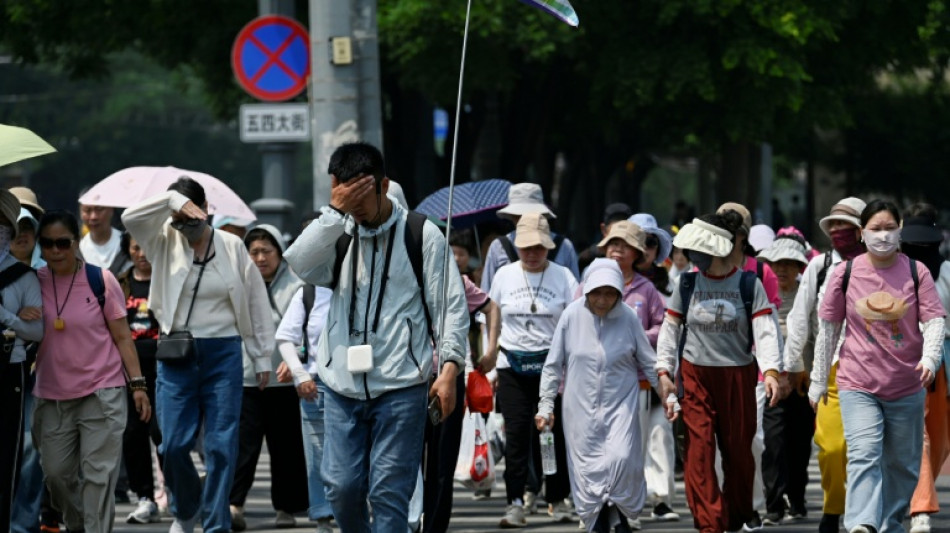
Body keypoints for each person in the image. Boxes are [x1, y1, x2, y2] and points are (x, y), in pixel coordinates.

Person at [283, 142, 468, 532]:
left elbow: (451, 308)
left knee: (388, 492)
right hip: (339, 386)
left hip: (402, 386)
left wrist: (449, 369)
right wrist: (335, 212)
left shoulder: (422, 234)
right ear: (337, 188)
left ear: (384, 185)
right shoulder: (338, 228)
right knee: (342, 487)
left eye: (364, 200)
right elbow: (299, 263)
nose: (359, 212)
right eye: (349, 200)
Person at [121, 177, 275, 533]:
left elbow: (254, 299)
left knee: (222, 447)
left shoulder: (233, 245)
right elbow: (130, 218)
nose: (185, 228)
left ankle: (216, 524)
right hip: (177, 353)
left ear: (207, 212)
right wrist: (171, 202)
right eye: (179, 221)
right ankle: (187, 507)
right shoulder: (162, 241)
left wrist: (261, 355)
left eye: (192, 220)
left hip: (224, 353)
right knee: (172, 444)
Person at [809, 200, 945, 533]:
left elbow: (936, 320)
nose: (882, 236)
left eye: (888, 228)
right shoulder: (846, 272)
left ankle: (889, 522)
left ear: (899, 228)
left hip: (906, 385)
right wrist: (817, 380)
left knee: (902, 464)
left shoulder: (917, 272)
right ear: (862, 232)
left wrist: (930, 358)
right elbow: (828, 329)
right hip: (858, 383)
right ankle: (862, 524)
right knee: (863, 454)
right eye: (875, 229)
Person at [655, 213, 782, 533]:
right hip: (696, 376)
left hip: (737, 375)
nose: (693, 258)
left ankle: (737, 514)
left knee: (739, 452)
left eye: (699, 252)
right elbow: (670, 329)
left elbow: (765, 329)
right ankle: (709, 523)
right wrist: (664, 371)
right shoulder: (686, 283)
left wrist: (770, 371)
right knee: (699, 451)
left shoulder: (748, 283)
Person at [32, 210, 151, 533]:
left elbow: (123, 337)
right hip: (52, 395)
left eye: (63, 243)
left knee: (99, 476)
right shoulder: (32, 282)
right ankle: (78, 524)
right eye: (48, 244)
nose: (56, 251)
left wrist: (137, 385)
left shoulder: (101, 280)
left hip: (102, 391)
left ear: (75, 243)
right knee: (56, 475)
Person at [538, 259, 673, 532]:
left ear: (619, 293)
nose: (602, 300)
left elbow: (649, 362)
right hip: (579, 409)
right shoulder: (571, 316)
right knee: (588, 470)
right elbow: (553, 366)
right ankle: (600, 521)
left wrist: (668, 394)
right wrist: (545, 405)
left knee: (621, 458)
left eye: (610, 293)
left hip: (620, 405)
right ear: (586, 290)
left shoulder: (629, 318)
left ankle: (618, 514)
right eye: (596, 292)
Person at [579, 220, 678, 522]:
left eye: (623, 246)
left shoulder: (646, 289)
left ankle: (629, 508)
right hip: (595, 383)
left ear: (636, 253)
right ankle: (595, 506)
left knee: (632, 447)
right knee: (597, 446)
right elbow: (574, 324)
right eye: (611, 244)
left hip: (637, 383)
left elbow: (663, 328)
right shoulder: (587, 284)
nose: (616, 250)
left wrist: (635, 337)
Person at [484, 212, 578, 528]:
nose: (533, 253)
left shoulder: (564, 277)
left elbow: (576, 322)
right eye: (526, 247)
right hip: (512, 364)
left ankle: (557, 496)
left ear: (549, 246)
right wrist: (492, 361)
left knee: (552, 434)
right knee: (517, 434)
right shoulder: (504, 276)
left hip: (553, 368)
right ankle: (515, 501)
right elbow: (492, 319)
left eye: (539, 246)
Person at [783, 197, 867, 533]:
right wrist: (794, 366)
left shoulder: (885, 265)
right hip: (830, 369)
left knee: (864, 448)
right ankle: (834, 507)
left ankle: (864, 513)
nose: (836, 230)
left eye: (844, 224)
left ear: (862, 229)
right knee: (832, 447)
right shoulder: (820, 268)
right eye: (832, 224)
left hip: (875, 372)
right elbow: (799, 317)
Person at [229, 225, 308, 530]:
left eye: (266, 251)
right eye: (254, 252)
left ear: (280, 253)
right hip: (247, 378)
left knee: (286, 446)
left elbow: (306, 329)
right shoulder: (238, 282)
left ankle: (286, 508)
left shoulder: (298, 285)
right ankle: (234, 503)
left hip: (284, 380)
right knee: (243, 445)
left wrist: (296, 359)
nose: (260, 258)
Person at [756, 235, 814, 524]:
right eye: (777, 264)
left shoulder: (808, 294)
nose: (782, 270)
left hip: (804, 380)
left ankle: (798, 499)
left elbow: (813, 335)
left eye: (789, 265)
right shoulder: (761, 293)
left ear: (799, 267)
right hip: (771, 380)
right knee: (773, 442)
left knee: (800, 443)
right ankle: (774, 504)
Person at [902, 204, 950, 533]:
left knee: (940, 437)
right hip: (905, 359)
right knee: (918, 435)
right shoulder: (894, 269)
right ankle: (920, 506)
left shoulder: (947, 271)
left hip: (943, 360)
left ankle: (917, 490)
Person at [274, 280, 334, 533]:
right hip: (316, 385)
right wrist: (300, 374)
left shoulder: (364, 286)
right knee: (318, 456)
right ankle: (323, 518)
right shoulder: (308, 293)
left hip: (358, 385)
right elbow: (287, 337)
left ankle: (353, 511)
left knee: (356, 454)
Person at [0, 191, 44, 530]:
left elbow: (38, 330)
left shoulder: (24, 277)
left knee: (10, 457)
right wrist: (14, 317)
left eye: (3, 226)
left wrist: (7, 318)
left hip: (10, 371)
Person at [116, 232, 164, 524]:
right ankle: (145, 496)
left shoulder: (167, 280)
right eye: (136, 247)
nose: (142, 253)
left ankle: (173, 488)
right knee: (133, 433)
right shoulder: (118, 283)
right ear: (128, 250)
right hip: (128, 369)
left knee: (163, 433)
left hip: (164, 367)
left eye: (147, 247)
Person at [480, 182, 580, 295]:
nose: (526, 221)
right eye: (520, 216)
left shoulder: (564, 246)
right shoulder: (498, 247)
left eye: (531, 215)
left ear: (542, 216)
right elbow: (487, 296)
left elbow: (576, 297)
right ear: (512, 217)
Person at [628, 213, 673, 299]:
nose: (644, 247)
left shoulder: (670, 283)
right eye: (639, 241)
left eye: (650, 242)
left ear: (658, 248)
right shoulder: (617, 278)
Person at [79, 202, 130, 275]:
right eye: (87, 210)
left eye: (99, 209)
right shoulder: (76, 250)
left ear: (111, 209)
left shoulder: (129, 245)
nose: (93, 217)